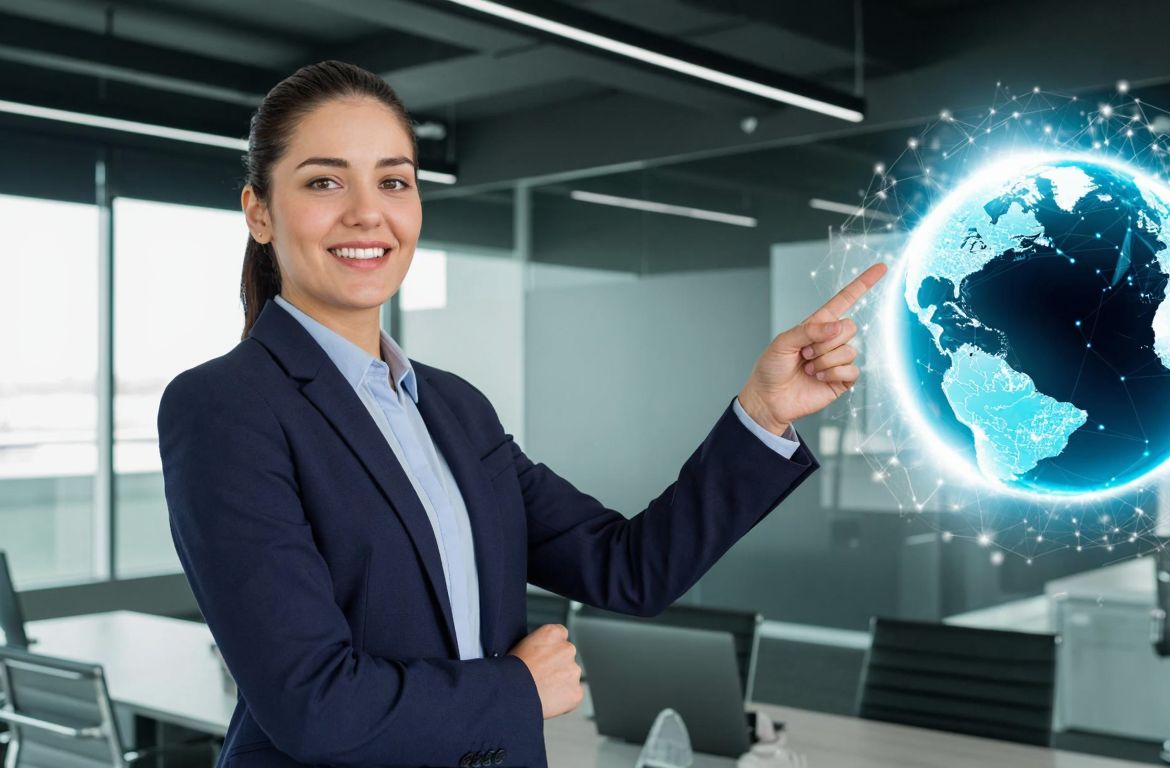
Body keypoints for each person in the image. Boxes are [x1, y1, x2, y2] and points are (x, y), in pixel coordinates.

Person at [158, 60, 886, 768]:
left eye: (394, 181)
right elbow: (311, 706)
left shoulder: (452, 408)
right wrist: (520, 689)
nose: (367, 212)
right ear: (259, 213)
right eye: (324, 181)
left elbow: (628, 568)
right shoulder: (225, 406)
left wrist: (763, 413)